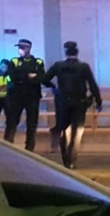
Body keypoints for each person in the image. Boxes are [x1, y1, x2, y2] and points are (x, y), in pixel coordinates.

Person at [41, 41, 102, 169]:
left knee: (63, 130)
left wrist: (54, 88)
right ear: (77, 52)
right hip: (79, 102)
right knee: (77, 131)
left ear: (65, 52)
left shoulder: (58, 66)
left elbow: (44, 79)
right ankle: (71, 158)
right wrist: (98, 101)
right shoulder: (83, 67)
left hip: (62, 101)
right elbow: (92, 85)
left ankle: (65, 160)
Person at [4, 38, 45, 151]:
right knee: (12, 121)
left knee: (32, 123)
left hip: (32, 96)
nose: (20, 50)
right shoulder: (14, 61)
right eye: (19, 47)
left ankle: (30, 148)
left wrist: (25, 77)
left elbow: (40, 77)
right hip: (17, 96)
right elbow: (12, 76)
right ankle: (7, 146)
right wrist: (28, 76)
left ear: (29, 48)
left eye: (22, 47)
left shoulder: (38, 62)